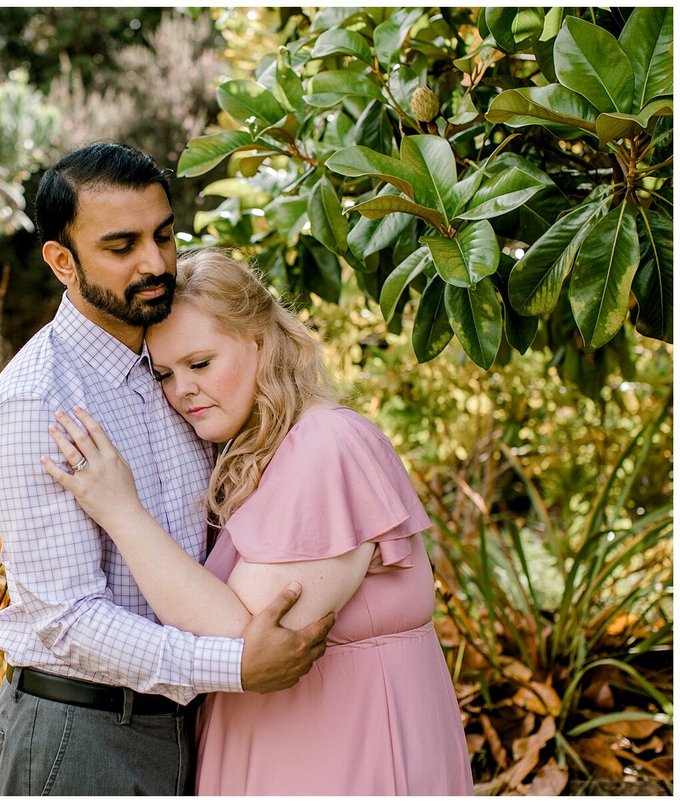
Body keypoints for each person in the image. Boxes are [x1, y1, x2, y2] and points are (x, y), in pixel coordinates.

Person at [0, 143, 336, 796]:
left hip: (189, 724)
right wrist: (234, 663)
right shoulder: (40, 400)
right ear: (62, 260)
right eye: (121, 246)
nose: (154, 263)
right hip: (79, 735)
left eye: (163, 235)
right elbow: (68, 618)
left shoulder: (178, 367)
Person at [43, 248, 475, 795]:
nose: (182, 391)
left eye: (200, 364)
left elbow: (245, 639)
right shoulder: (261, 452)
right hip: (284, 743)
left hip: (340, 751)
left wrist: (120, 512)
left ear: (261, 342)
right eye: (165, 374)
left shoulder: (326, 446)